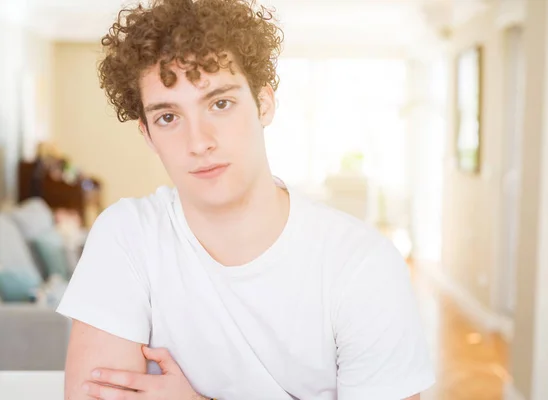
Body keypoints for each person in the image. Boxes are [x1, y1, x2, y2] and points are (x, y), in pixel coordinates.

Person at [56, 0, 435, 399]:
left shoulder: (362, 265)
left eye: (220, 104)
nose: (198, 142)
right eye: (168, 117)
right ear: (148, 134)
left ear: (264, 105)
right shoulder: (127, 236)